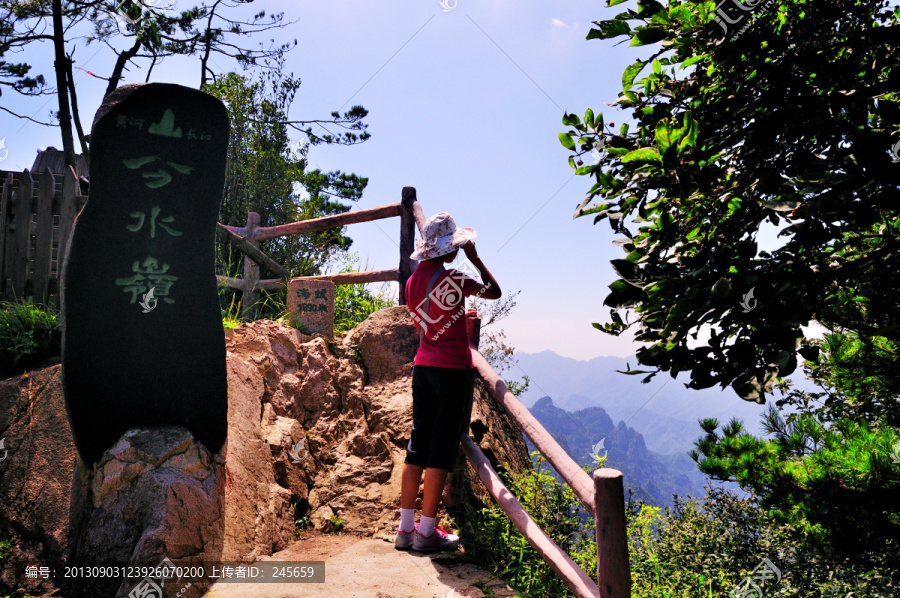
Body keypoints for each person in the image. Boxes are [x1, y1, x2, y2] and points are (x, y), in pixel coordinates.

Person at [395, 212, 502, 553]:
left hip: (423, 367)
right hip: (451, 371)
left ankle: (405, 529)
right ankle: (427, 533)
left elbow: (429, 322)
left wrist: (456, 317)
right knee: (440, 449)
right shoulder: (454, 279)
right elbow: (494, 291)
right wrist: (476, 259)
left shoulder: (413, 283)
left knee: (417, 445)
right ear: (450, 250)